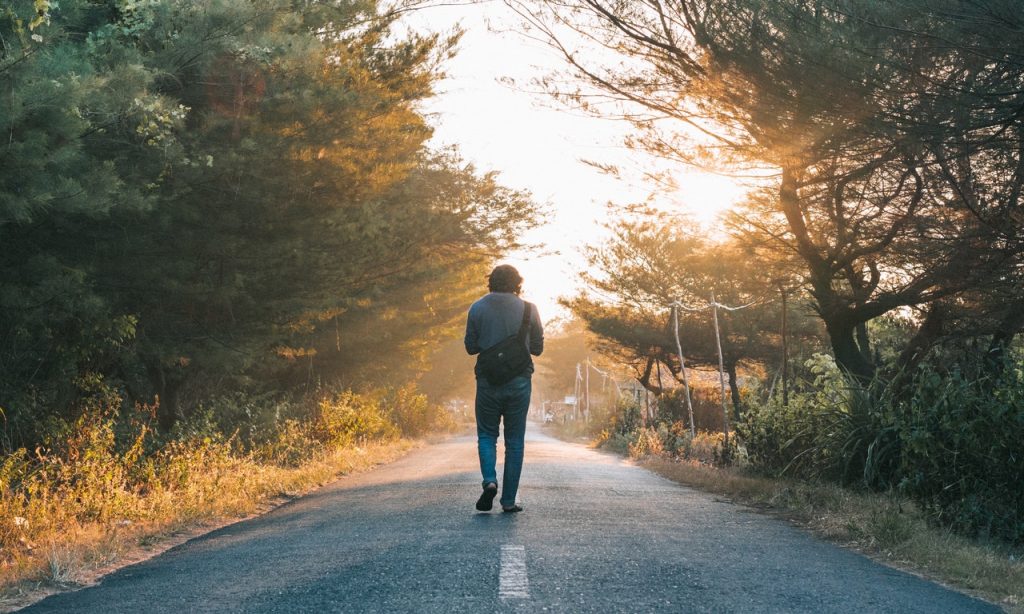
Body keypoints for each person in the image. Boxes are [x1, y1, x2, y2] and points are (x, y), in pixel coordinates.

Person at [464, 264, 544, 513]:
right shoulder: (529, 309)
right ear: (517, 283)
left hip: (488, 381)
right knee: (515, 440)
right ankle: (508, 501)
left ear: (491, 282)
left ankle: (489, 480)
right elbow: (538, 349)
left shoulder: (477, 308)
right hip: (519, 382)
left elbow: (471, 347)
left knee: (487, 435)